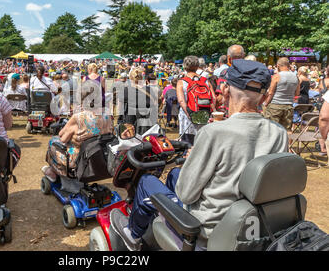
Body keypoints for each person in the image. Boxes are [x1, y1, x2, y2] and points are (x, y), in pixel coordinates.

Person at [110, 60, 289, 251]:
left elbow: (186, 193)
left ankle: (133, 233)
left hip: (208, 229)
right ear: (263, 98)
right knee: (173, 174)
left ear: (226, 90)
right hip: (255, 222)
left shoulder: (214, 132)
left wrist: (195, 159)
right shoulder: (279, 133)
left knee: (146, 181)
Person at [42, 86, 114, 181]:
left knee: (53, 142)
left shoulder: (79, 117)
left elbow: (62, 137)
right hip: (100, 157)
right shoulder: (107, 114)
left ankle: (53, 171)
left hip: (79, 160)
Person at [177, 56, 216, 145]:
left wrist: (190, 115)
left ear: (185, 66)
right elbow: (213, 98)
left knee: (188, 146)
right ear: (197, 65)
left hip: (188, 119)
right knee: (202, 144)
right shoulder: (205, 81)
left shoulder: (182, 82)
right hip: (204, 116)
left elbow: (181, 101)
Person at [263, 57, 299, 132]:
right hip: (289, 105)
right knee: (287, 130)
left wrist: (266, 103)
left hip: (275, 105)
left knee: (272, 130)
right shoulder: (296, 77)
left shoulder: (277, 76)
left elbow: (270, 92)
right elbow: (297, 93)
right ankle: (288, 144)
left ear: (278, 65)